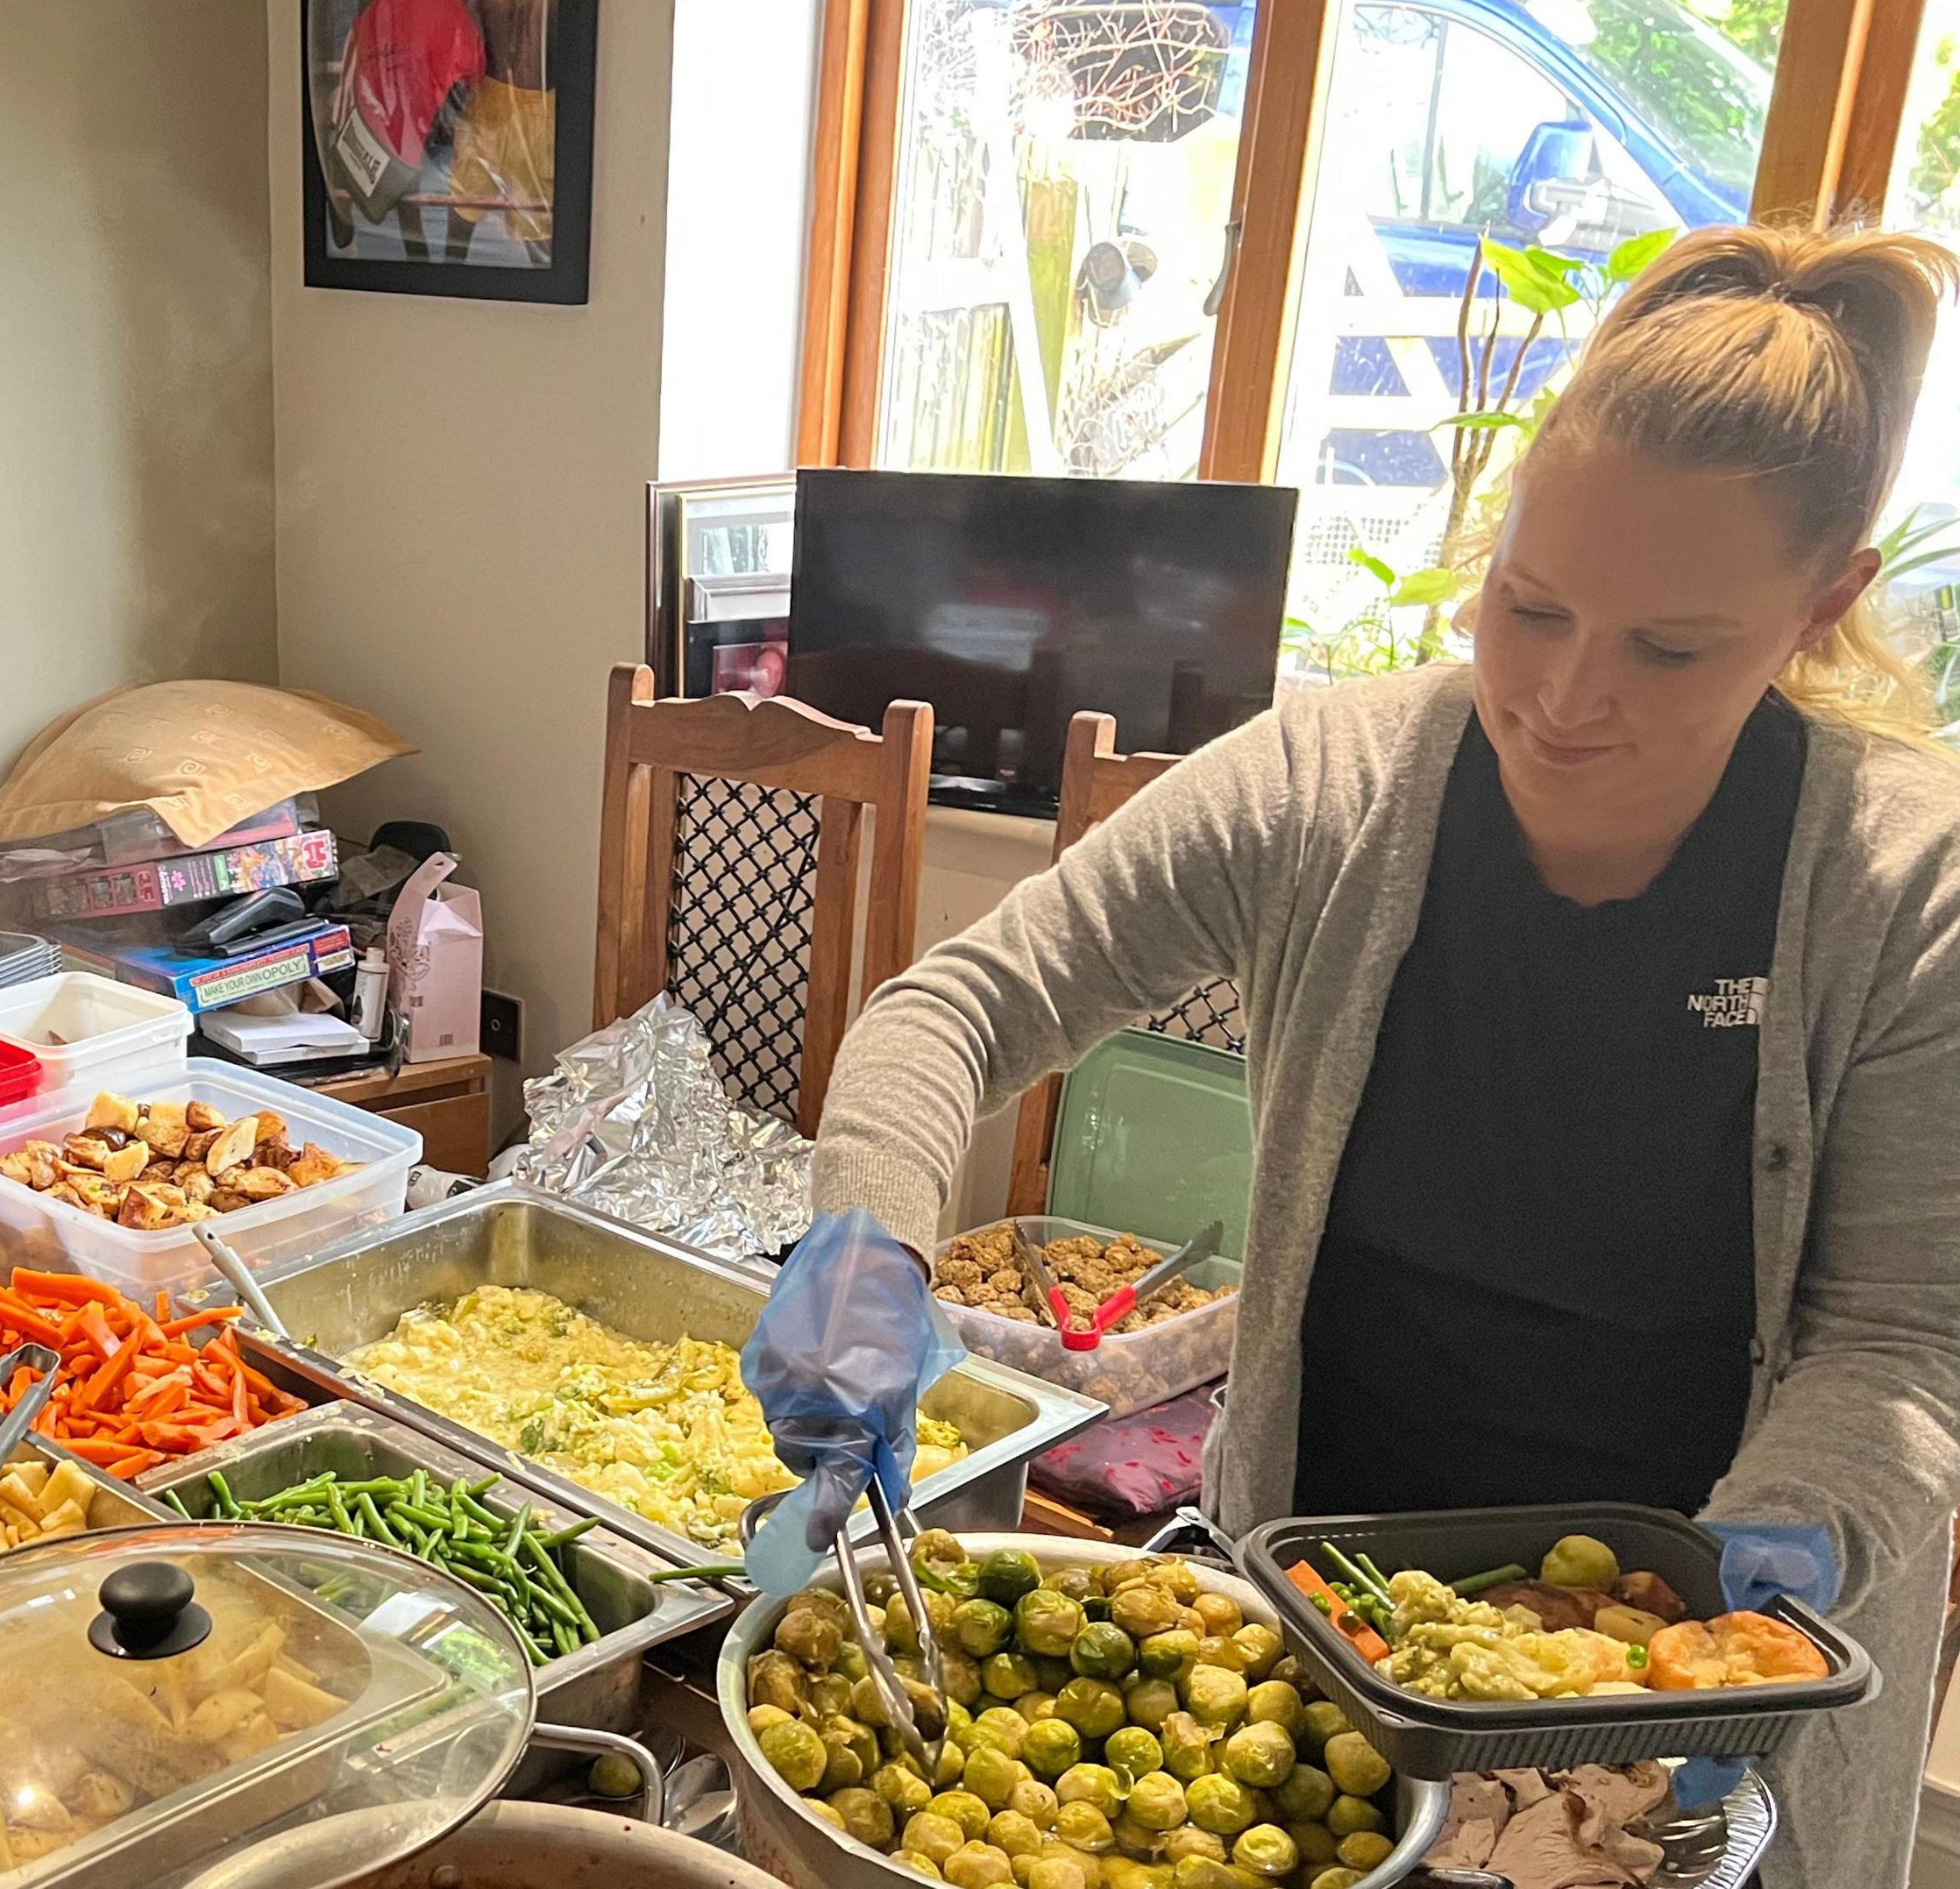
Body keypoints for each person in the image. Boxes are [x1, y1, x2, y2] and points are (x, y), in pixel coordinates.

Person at [812, 223, 1960, 1887]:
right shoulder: (1337, 784)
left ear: (1822, 603)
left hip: (1666, 1670)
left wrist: (1758, 1587)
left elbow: (1904, 1342)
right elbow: (959, 1005)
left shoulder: (1902, 888)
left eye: (1668, 648)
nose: (1564, 695)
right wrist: (869, 1242)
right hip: (1322, 1627)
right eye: (1532, 604)